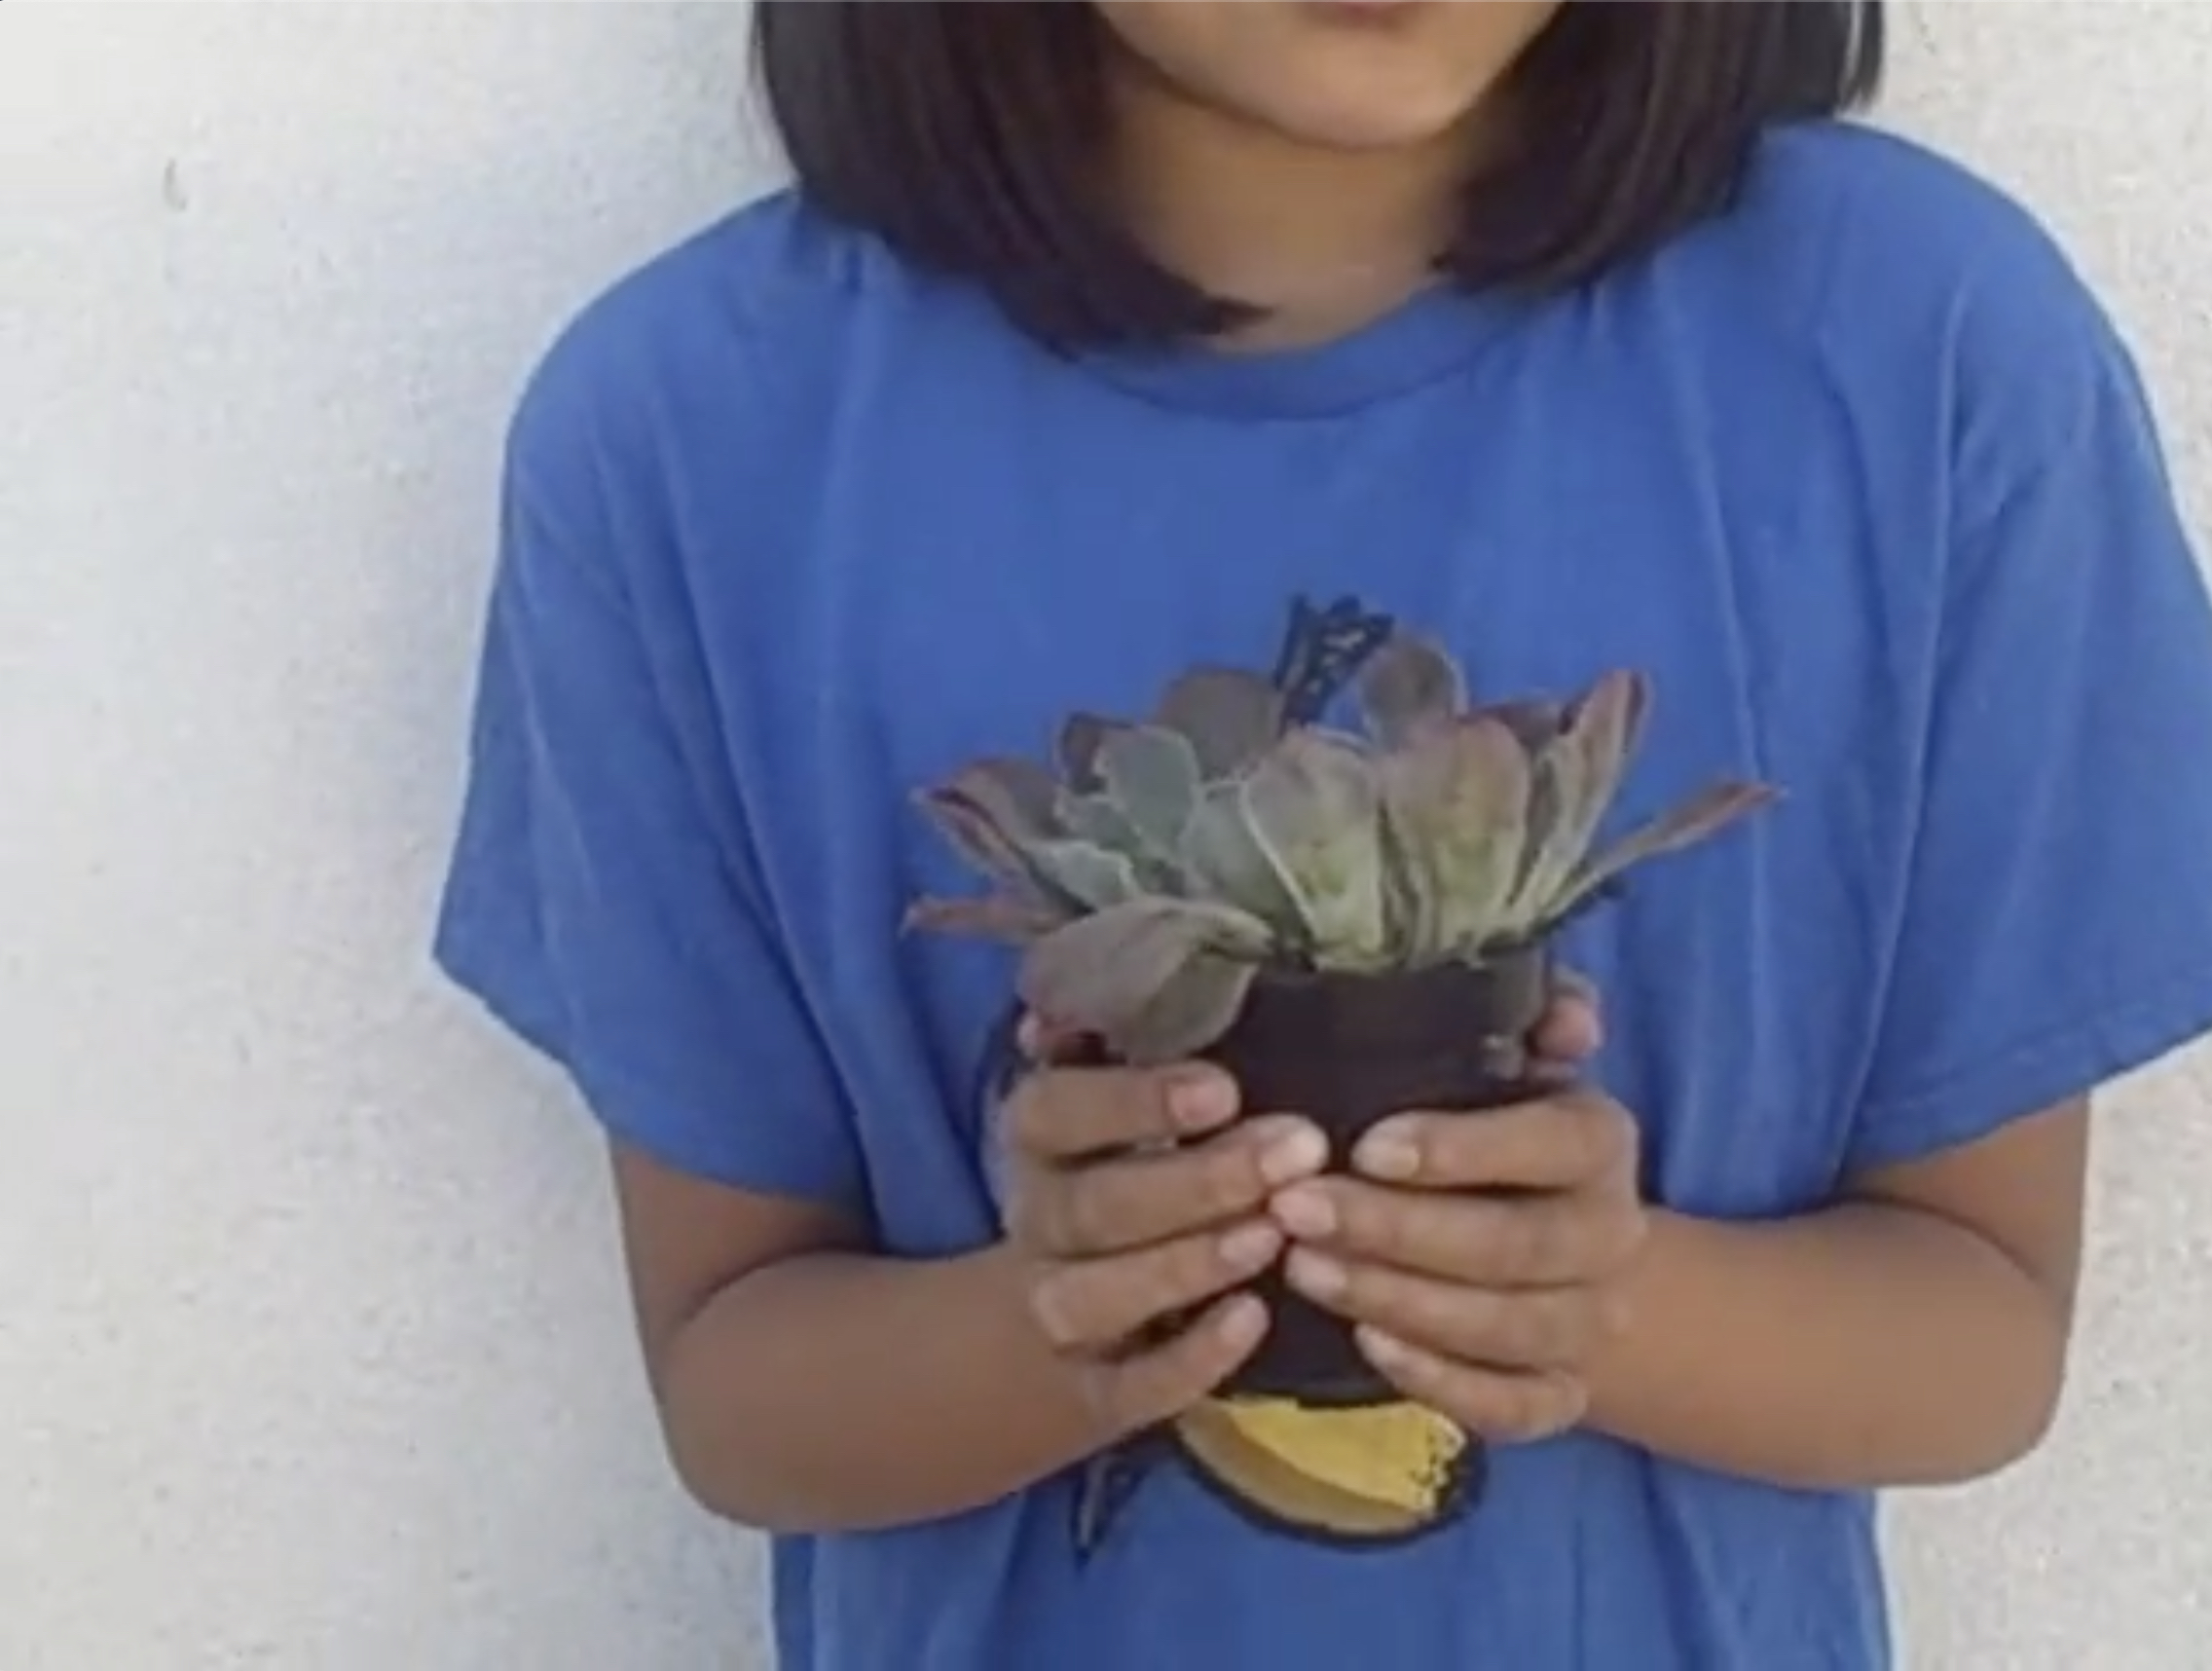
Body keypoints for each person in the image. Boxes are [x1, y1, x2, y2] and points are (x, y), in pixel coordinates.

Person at [431, 3, 2212, 1666]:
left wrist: (1603, 1300)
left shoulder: (1921, 352)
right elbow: (736, 1390)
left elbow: (1980, 1334)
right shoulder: (688, 442)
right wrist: (1063, 1314)